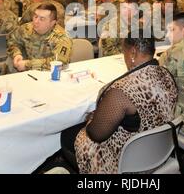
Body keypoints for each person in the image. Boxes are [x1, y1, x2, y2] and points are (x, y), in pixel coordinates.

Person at [61, 30, 177, 174]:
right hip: (158, 151)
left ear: (133, 53)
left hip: (127, 162)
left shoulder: (121, 92)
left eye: (125, 53)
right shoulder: (166, 75)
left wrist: (92, 119)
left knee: (67, 135)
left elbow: (96, 134)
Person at [6, 3, 72, 72]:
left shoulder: (63, 38)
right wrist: (16, 54)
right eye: (35, 16)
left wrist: (28, 64)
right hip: (28, 74)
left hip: (50, 75)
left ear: (52, 23)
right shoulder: (26, 29)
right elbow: (12, 41)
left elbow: (59, 62)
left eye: (42, 19)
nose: (36, 21)